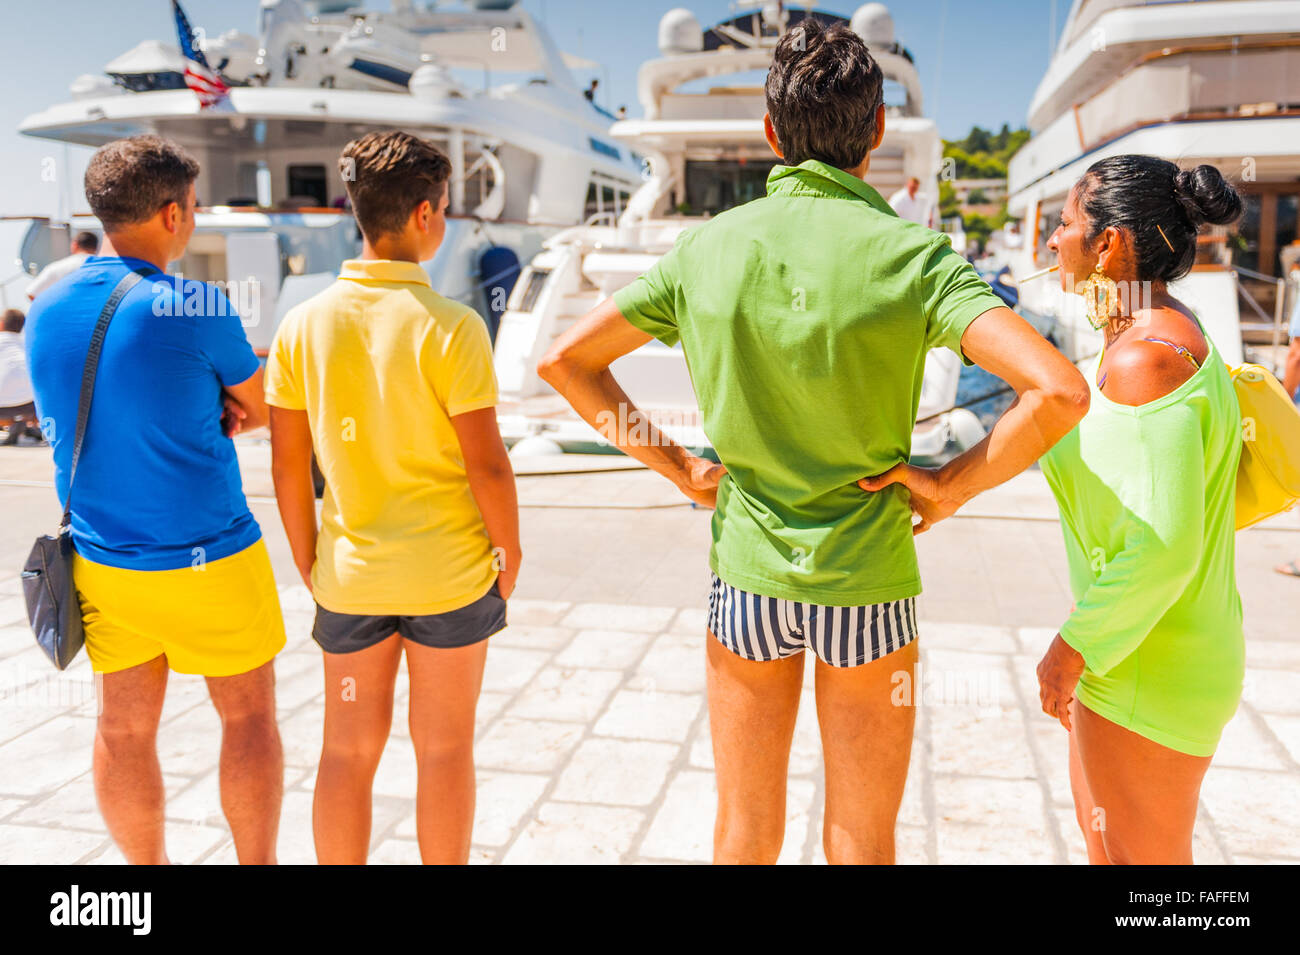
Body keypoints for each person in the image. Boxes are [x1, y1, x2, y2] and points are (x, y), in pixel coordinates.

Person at [537, 21, 1087, 865]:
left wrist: (680, 467)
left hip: (748, 580)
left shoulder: (707, 248)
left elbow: (564, 360)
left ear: (770, 134)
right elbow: (1057, 389)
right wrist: (950, 485)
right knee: (863, 842)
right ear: (875, 132)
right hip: (869, 582)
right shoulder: (916, 256)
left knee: (742, 835)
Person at [25, 136, 285, 865]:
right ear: (172, 214)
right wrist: (218, 403)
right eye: (194, 208)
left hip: (104, 565)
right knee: (249, 716)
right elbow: (258, 407)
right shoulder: (195, 303)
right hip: (213, 559)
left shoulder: (45, 307)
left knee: (124, 729)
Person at [265, 131, 519, 865]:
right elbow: (489, 467)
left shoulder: (302, 326)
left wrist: (312, 560)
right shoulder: (455, 327)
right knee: (443, 749)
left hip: (352, 577)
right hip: (449, 577)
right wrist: (511, 551)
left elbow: (288, 468)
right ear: (425, 215)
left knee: (345, 748)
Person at [1031, 156, 1244, 863]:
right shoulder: (1161, 331)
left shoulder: (1142, 360)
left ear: (1111, 245)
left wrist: (1072, 649)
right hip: (1148, 650)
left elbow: (1164, 546)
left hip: (1149, 662)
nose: (1051, 243)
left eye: (1064, 225)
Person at [0, 309, 39, 445]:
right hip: (31, 405)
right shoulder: (27, 342)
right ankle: (28, 425)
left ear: (1, 324)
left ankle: (16, 425)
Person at [26, 230, 99, 301]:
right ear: (96, 247)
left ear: (75, 245)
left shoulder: (57, 267)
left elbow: (32, 293)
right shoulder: (103, 267)